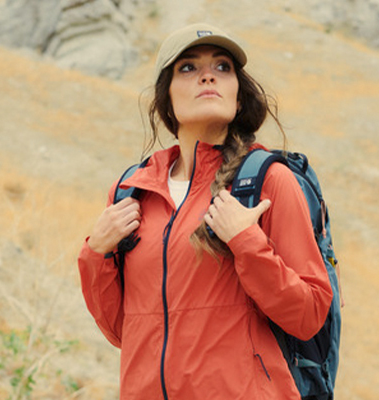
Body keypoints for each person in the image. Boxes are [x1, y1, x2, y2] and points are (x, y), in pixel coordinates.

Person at [78, 23, 333, 399]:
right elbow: (123, 332)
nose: (208, 76)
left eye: (222, 67)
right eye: (188, 67)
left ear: (238, 97)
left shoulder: (267, 181)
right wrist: (96, 253)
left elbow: (309, 316)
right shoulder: (133, 192)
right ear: (166, 99)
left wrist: (247, 242)